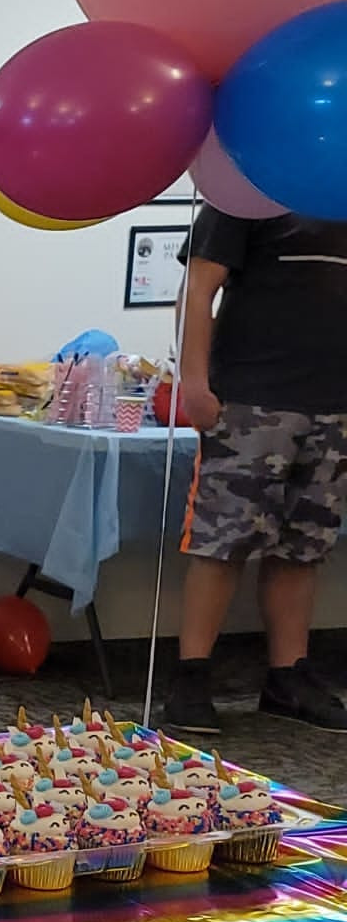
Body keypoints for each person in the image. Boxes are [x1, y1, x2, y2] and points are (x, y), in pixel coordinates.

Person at [165, 208, 347, 735]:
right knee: (223, 542)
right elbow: (197, 290)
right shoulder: (246, 191)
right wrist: (194, 383)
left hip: (333, 405)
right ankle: (190, 680)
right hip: (251, 401)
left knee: (304, 546)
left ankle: (287, 677)